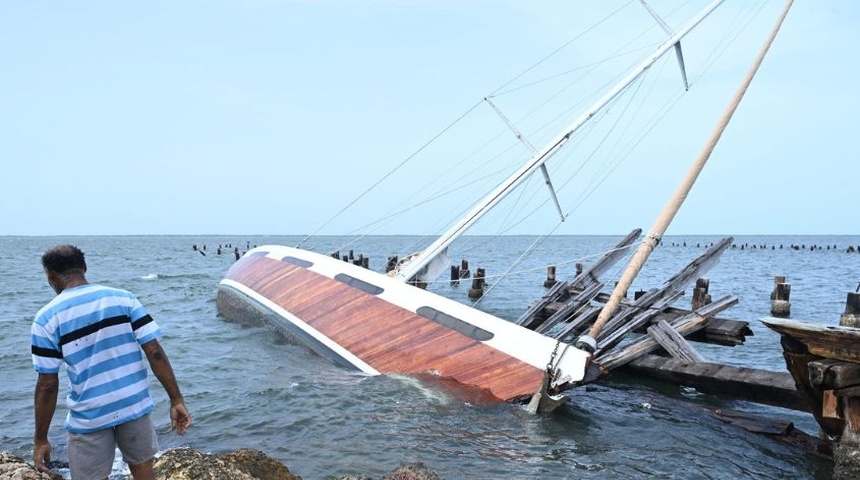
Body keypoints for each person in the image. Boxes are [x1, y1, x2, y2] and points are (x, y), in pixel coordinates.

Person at [31, 245, 191, 479]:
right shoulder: (123, 298)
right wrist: (176, 400)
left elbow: (47, 384)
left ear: (50, 275)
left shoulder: (46, 318)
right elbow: (154, 351)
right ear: (84, 268)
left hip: (90, 414)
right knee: (143, 470)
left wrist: (41, 439)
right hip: (133, 404)